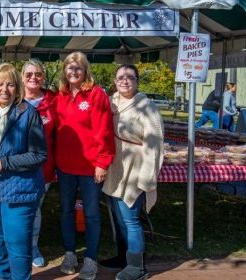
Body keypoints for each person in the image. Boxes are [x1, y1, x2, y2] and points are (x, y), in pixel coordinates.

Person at [0, 63, 47, 280]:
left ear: (18, 88)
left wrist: (4, 163)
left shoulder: (28, 113)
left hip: (19, 191)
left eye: (10, 85)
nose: (4, 89)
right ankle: (5, 277)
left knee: (17, 247)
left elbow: (39, 155)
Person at [54, 52, 115, 280]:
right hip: (65, 166)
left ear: (85, 70)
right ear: (64, 71)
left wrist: (102, 163)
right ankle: (70, 253)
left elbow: (104, 130)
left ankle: (91, 258)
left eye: (78, 67)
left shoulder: (96, 94)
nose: (74, 71)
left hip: (91, 167)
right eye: (70, 67)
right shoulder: (59, 95)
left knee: (91, 214)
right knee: (66, 211)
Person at [104, 64, 164, 280]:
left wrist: (147, 178)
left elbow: (155, 144)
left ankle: (137, 268)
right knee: (119, 218)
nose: (125, 80)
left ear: (137, 80)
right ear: (115, 80)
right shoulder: (112, 103)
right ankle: (123, 257)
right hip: (116, 168)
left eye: (130, 76)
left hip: (135, 170)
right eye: (120, 77)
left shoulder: (147, 106)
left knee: (130, 219)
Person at [21, 58, 56, 268]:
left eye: (38, 74)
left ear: (43, 76)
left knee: (34, 208)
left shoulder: (53, 99)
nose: (34, 78)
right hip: (16, 166)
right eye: (29, 74)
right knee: (17, 208)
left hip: (43, 167)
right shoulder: (14, 98)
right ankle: (16, 246)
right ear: (22, 78)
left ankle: (32, 246)